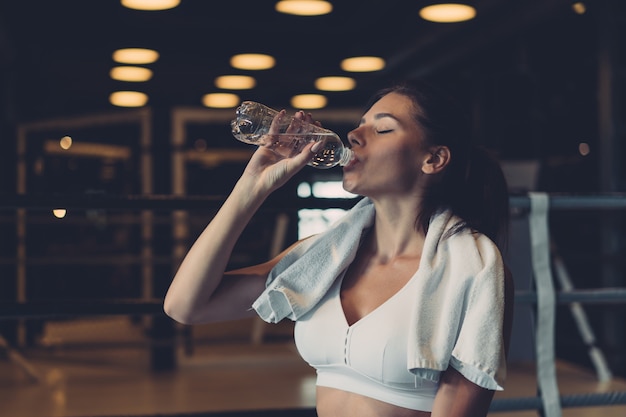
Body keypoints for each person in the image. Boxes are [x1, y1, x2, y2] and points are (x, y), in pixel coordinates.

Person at [164, 80, 515, 417]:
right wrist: (251, 189)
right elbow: (185, 306)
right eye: (359, 125)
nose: (353, 135)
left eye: (383, 129)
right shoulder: (322, 259)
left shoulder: (471, 268)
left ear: (433, 159)